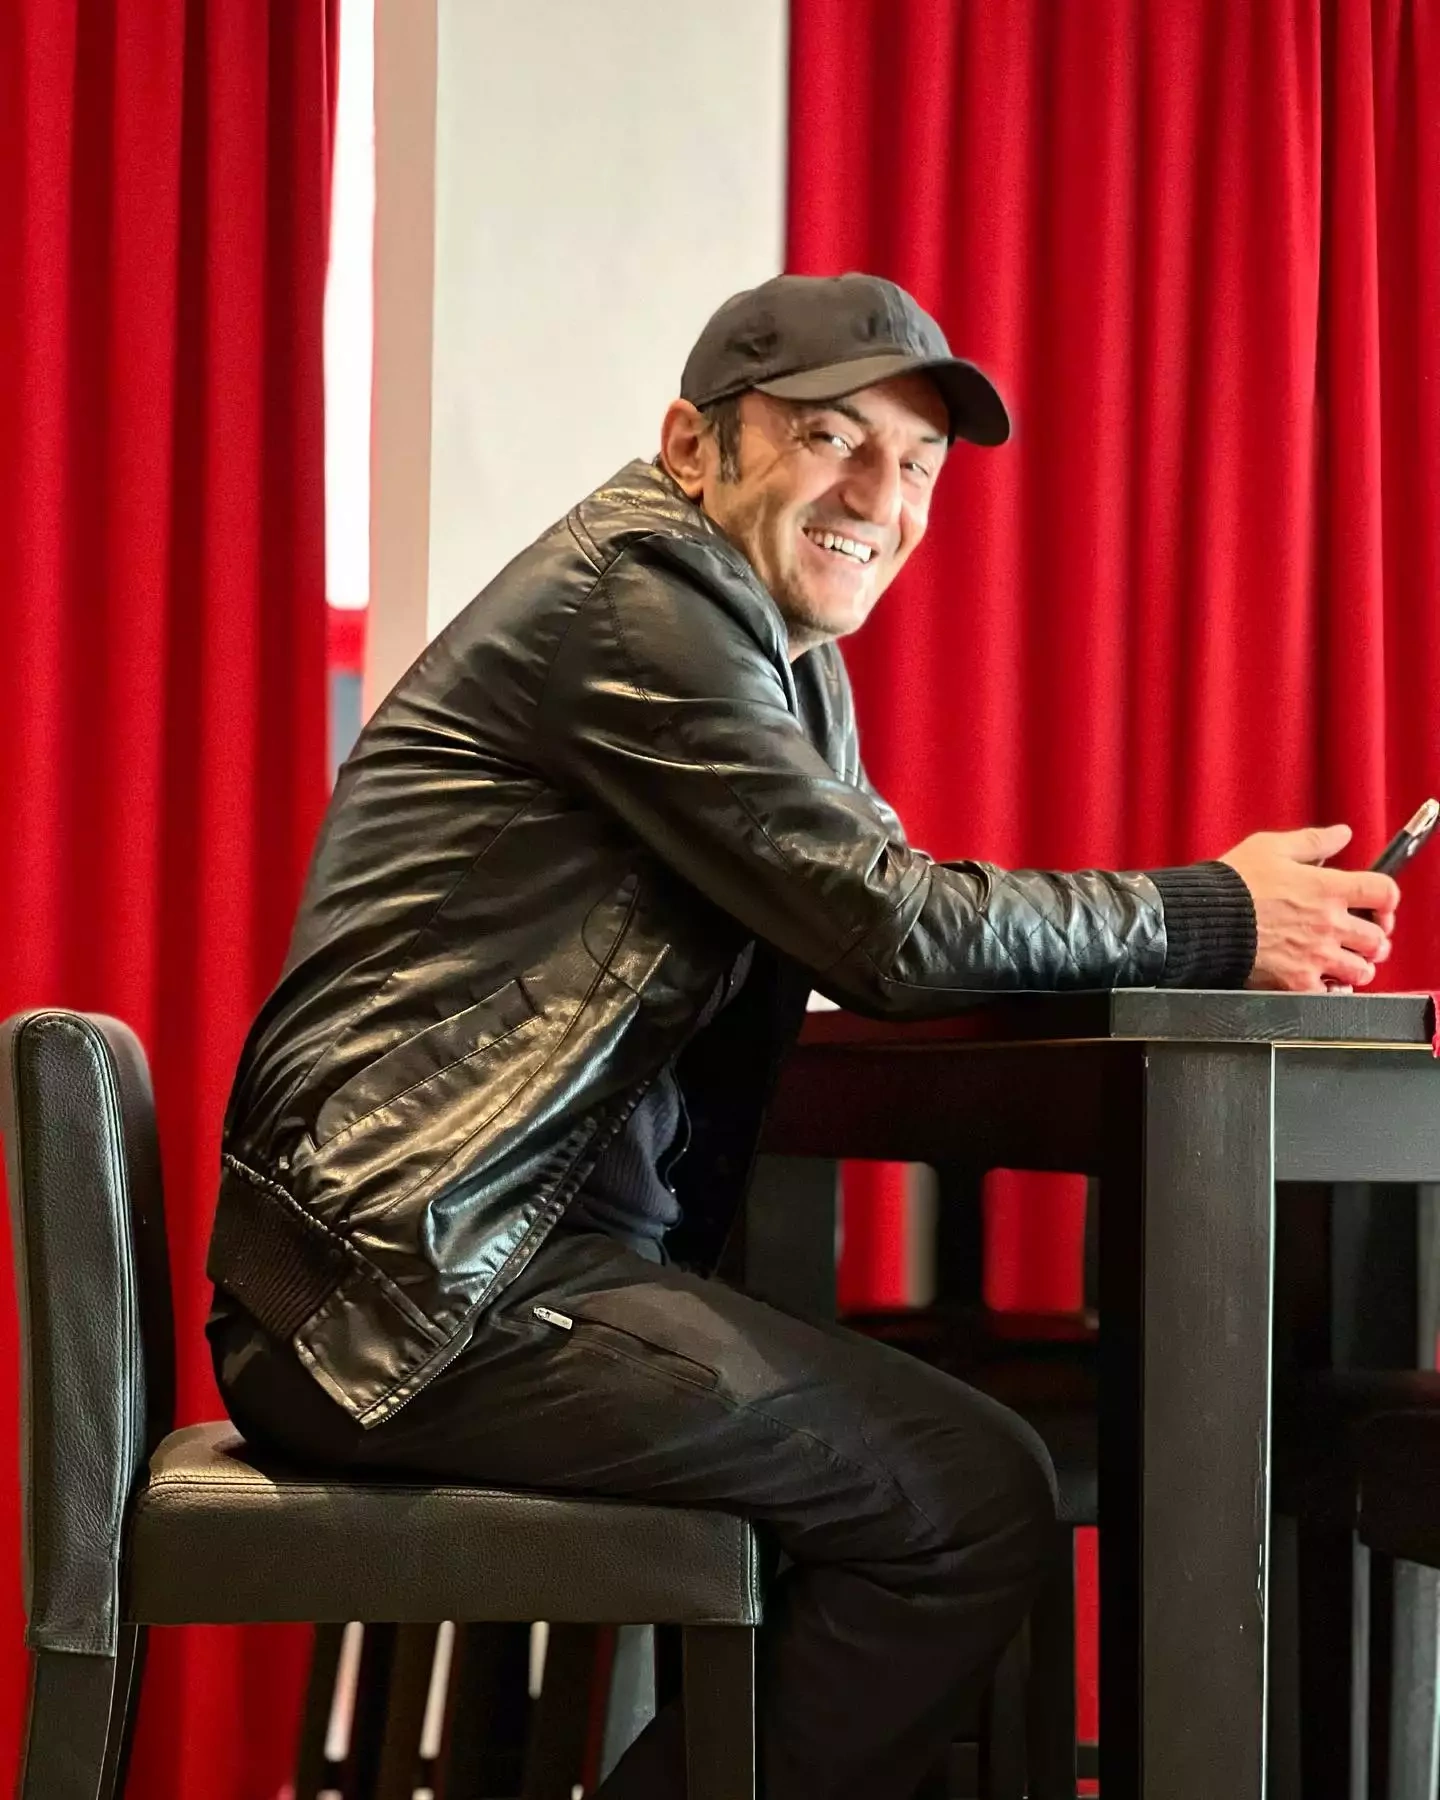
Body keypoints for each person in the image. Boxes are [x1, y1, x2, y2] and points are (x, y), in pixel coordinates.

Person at [207, 273, 1400, 1799]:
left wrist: (1177, 930)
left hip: (440, 1266)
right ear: (692, 447)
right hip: (416, 1291)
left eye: (915, 465)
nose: (878, 497)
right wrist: (1215, 914)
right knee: (971, 1498)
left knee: (944, 1471)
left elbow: (882, 912)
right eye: (831, 438)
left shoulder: (774, 654)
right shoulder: (644, 598)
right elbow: (890, 930)